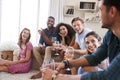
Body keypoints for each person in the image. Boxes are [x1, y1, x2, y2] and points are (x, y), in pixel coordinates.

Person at [42, 0, 120, 80]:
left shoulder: (88, 32)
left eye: (100, 9)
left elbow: (108, 77)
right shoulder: (111, 34)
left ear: (112, 11)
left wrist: (57, 77)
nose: (98, 14)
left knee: (87, 69)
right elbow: (95, 57)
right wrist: (66, 63)